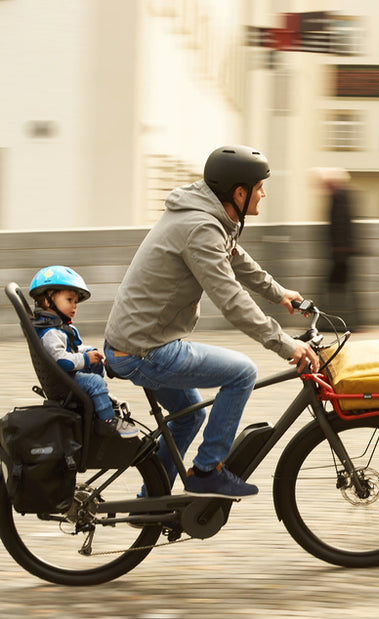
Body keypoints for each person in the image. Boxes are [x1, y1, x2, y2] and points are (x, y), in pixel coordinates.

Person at [104, 145, 319, 499]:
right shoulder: (200, 227)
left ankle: (153, 498)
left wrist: (280, 294)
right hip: (146, 350)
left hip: (134, 342)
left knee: (188, 416)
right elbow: (232, 301)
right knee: (242, 373)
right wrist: (285, 345)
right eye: (259, 186)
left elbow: (235, 257)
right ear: (239, 192)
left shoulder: (209, 214)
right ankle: (207, 472)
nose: (263, 193)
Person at [28, 265, 139, 438]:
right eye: (69, 300)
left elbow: (70, 348)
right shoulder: (51, 333)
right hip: (62, 383)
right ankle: (108, 422)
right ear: (49, 301)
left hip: (64, 376)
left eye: (75, 301)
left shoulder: (57, 327)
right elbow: (62, 360)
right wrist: (85, 359)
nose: (74, 306)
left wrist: (88, 352)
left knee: (96, 368)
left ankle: (102, 400)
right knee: (94, 382)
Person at [317, 167, 360, 330]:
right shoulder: (341, 196)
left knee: (335, 289)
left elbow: (341, 226)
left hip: (341, 253)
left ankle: (334, 323)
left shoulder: (339, 198)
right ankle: (345, 322)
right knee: (342, 289)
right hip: (341, 252)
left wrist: (339, 251)